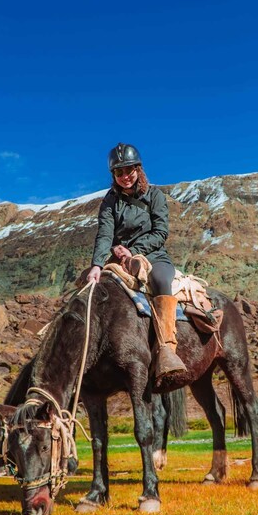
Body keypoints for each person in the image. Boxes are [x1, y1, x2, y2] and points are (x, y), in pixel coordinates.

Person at [87, 143, 186, 379]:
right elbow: (105, 233)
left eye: (129, 170)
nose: (125, 177)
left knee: (161, 280)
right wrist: (97, 265)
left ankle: (167, 348)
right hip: (120, 259)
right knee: (89, 288)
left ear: (138, 169)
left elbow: (161, 232)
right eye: (119, 173)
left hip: (153, 255)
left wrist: (133, 250)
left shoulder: (155, 196)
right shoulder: (110, 201)